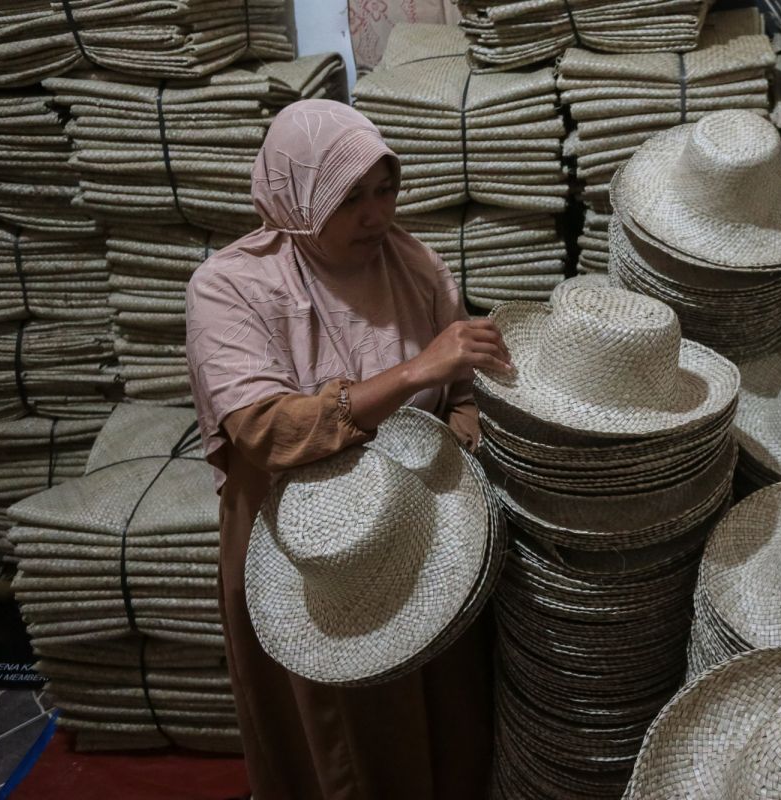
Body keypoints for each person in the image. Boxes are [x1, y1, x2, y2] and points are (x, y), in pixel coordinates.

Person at [185, 99, 511, 800]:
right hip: (301, 550)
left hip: (417, 524)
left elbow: (458, 383)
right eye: (348, 198)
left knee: (443, 707)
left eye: (384, 189)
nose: (376, 215)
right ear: (297, 197)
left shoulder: (413, 264)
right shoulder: (231, 287)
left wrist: (464, 417)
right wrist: (416, 372)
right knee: (336, 736)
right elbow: (266, 429)